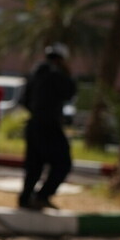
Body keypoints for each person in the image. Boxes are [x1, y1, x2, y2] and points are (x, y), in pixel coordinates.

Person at [19, 43, 76, 209]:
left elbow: (25, 101)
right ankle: (42, 195)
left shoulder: (35, 74)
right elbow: (70, 91)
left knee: (34, 165)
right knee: (63, 163)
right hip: (49, 125)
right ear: (61, 59)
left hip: (33, 124)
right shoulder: (57, 75)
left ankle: (25, 199)